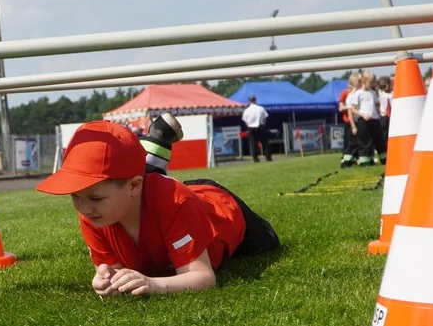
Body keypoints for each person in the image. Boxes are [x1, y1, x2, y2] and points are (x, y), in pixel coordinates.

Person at [36, 121, 279, 297]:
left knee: (269, 245)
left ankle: (153, 154)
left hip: (218, 203)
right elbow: (118, 273)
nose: (84, 207)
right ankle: (153, 151)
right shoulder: (92, 213)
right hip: (150, 192)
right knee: (147, 187)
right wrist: (106, 281)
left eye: (96, 198)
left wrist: (155, 285)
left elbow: (203, 277)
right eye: (74, 196)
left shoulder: (176, 203)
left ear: (133, 185)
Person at [347, 72, 380, 166]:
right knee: (364, 142)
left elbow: (376, 105)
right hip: (363, 120)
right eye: (371, 82)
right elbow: (352, 109)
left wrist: (379, 111)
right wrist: (362, 115)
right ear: (364, 81)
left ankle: (377, 159)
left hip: (374, 119)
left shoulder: (373, 93)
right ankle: (364, 161)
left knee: (377, 140)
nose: (373, 84)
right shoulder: (357, 94)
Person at [338, 73, 360, 167]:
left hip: (358, 119)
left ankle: (357, 158)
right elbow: (340, 108)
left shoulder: (360, 93)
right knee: (349, 141)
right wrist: (349, 107)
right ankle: (345, 159)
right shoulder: (346, 93)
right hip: (348, 121)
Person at [241, 95, 270, 162]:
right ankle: (268, 157)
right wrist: (263, 124)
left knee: (253, 144)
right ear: (255, 100)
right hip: (260, 126)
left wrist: (249, 126)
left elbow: (245, 120)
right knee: (264, 143)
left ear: (249, 101)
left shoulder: (246, 110)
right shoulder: (261, 108)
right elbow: (265, 118)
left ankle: (255, 158)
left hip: (251, 128)